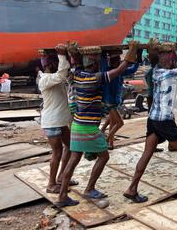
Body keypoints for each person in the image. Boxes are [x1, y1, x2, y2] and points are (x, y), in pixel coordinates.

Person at [124, 40, 177, 203]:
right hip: (164, 119)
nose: (174, 62)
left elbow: (158, 60)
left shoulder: (155, 71)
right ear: (169, 60)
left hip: (153, 118)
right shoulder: (168, 73)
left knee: (147, 152)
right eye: (173, 59)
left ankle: (132, 188)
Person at [55, 42, 141, 208]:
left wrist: (72, 54)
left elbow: (78, 63)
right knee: (104, 156)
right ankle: (90, 188)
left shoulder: (78, 74)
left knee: (73, 160)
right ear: (94, 65)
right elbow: (120, 70)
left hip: (77, 125)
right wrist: (132, 51)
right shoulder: (96, 78)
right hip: (88, 127)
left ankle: (62, 195)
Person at [38, 45, 77, 194]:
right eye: (54, 62)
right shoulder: (46, 79)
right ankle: (51, 184)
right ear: (48, 65)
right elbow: (61, 74)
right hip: (52, 122)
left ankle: (62, 177)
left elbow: (65, 76)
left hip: (60, 121)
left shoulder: (54, 78)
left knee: (70, 147)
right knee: (57, 153)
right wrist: (62, 55)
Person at [101, 49, 141, 150]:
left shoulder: (120, 71)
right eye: (117, 60)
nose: (119, 62)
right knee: (120, 123)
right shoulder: (108, 71)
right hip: (110, 102)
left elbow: (132, 70)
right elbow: (103, 62)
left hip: (114, 101)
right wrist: (103, 54)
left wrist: (138, 58)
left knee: (112, 122)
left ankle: (110, 143)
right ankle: (104, 140)